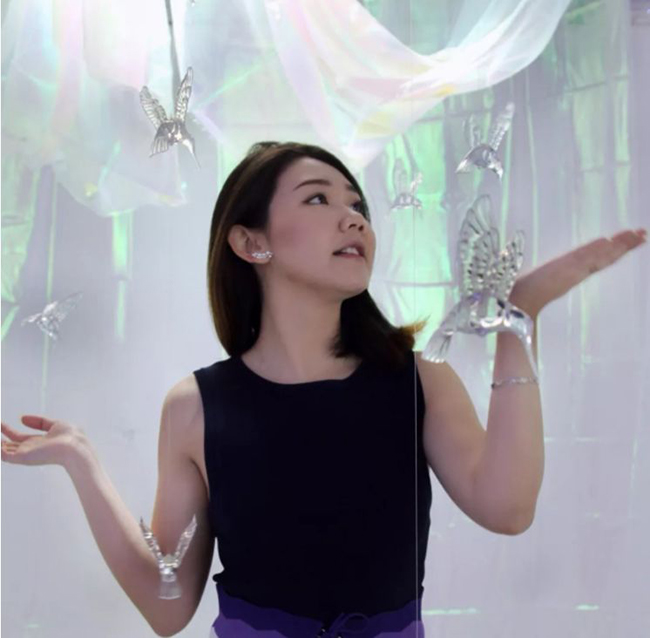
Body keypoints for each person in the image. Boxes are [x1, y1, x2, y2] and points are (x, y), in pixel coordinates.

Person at [1, 141, 646, 638]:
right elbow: (167, 607)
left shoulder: (420, 382)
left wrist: (517, 319)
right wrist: (82, 462)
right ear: (251, 242)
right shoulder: (196, 408)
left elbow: (507, 508)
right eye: (319, 200)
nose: (353, 219)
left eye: (358, 206)